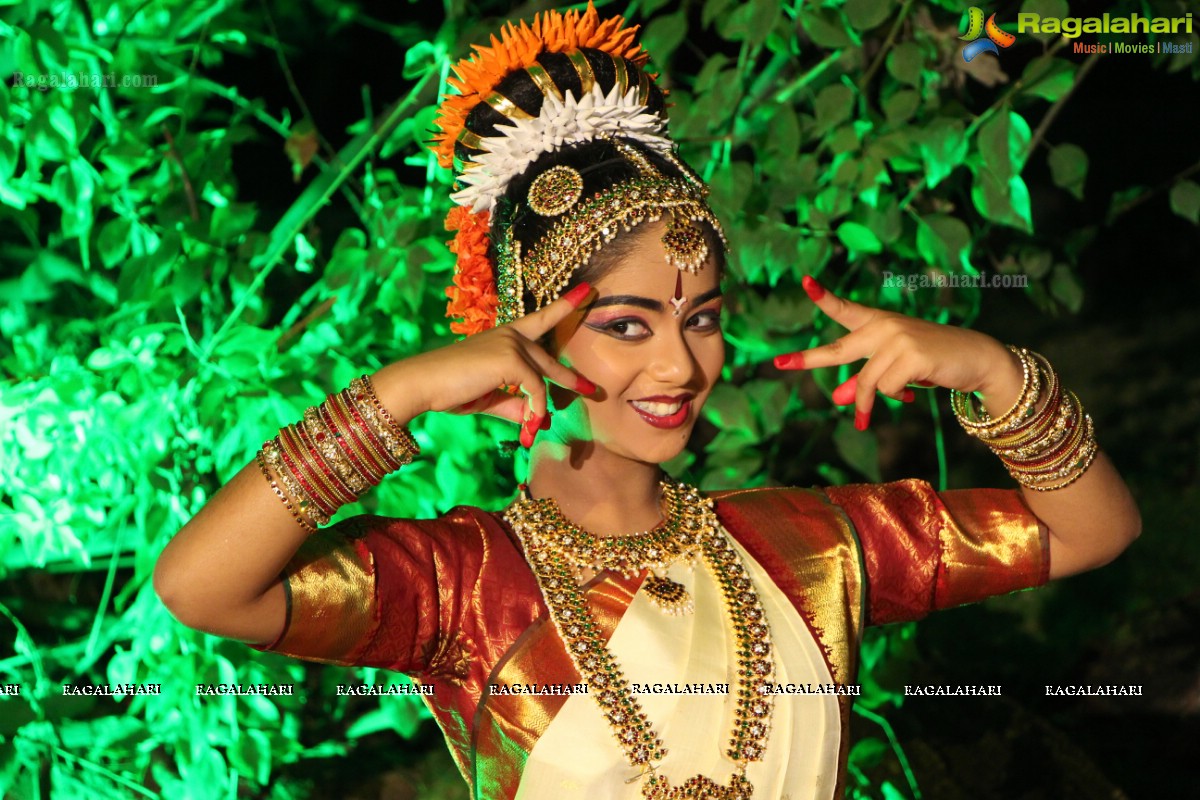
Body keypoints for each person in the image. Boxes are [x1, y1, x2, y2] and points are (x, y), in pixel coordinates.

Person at [153, 4, 1141, 798]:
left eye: (701, 317)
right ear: (520, 329)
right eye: (627, 323)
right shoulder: (461, 585)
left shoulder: (812, 545)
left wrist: (988, 369)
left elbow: (1092, 531)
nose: (679, 366)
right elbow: (202, 586)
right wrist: (401, 391)